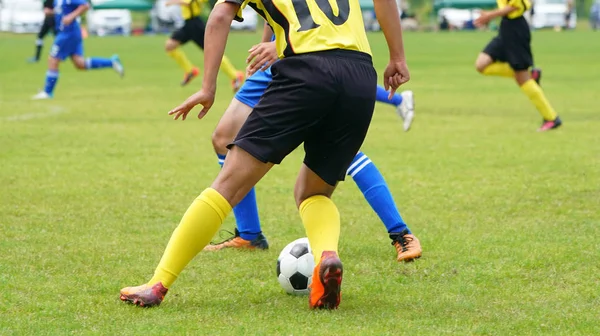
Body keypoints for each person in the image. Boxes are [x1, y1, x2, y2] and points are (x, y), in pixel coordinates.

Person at [119, 0, 410, 310]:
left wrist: (208, 87)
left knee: (228, 185)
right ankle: (326, 255)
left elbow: (220, 15)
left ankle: (157, 284)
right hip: (359, 75)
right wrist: (397, 57)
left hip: (306, 72)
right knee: (313, 192)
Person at [204, 24, 420, 263]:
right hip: (276, 57)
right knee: (224, 138)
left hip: (309, 58)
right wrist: (263, 52)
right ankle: (249, 235)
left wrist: (284, 45)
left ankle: (401, 232)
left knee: (341, 151)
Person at [474, 0, 562, 132]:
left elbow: (515, 6)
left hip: (516, 31)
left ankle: (551, 118)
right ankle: (529, 76)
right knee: (481, 65)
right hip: (505, 29)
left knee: (522, 77)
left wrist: (490, 15)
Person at [31, 0, 124, 100]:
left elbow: (85, 5)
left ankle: (47, 92)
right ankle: (111, 62)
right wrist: (50, 12)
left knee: (53, 59)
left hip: (67, 34)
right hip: (68, 33)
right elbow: (61, 11)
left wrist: (71, 16)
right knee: (80, 64)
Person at [164, 0, 244, 90]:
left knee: (213, 53)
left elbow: (188, 2)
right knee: (169, 46)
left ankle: (235, 75)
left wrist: (173, 2)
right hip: (188, 25)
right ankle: (190, 71)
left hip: (196, 25)